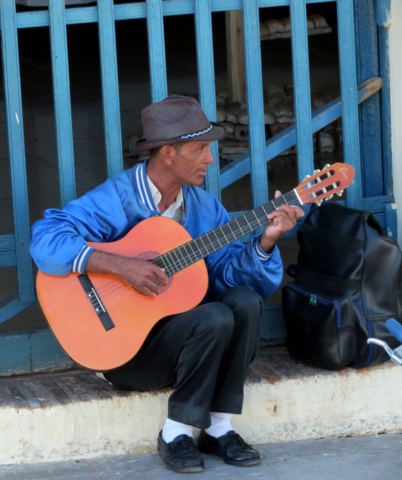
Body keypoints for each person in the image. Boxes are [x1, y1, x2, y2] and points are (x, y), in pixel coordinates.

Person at [29, 95, 304, 473]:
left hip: (189, 350)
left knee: (242, 302)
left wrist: (267, 239)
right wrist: (120, 266)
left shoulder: (204, 208)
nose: (210, 158)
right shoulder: (118, 198)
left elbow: (230, 278)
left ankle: (219, 427)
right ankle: (175, 433)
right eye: (200, 149)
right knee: (215, 318)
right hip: (124, 354)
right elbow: (45, 239)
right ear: (169, 154)